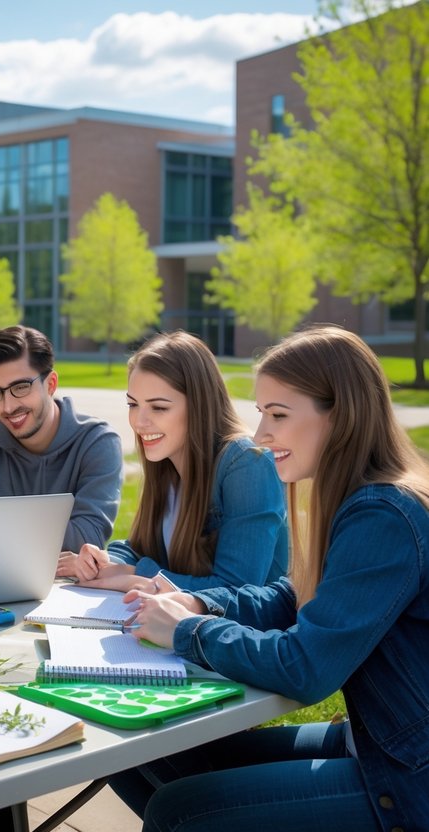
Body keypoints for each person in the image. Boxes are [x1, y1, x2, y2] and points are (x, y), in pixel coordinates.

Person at [116, 325, 429, 831]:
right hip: (376, 741)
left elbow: (306, 668)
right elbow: (291, 596)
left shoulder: (385, 515)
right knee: (137, 752)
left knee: (177, 812)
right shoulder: (357, 501)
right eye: (262, 414)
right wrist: (203, 605)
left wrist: (187, 631)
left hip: (406, 775)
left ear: (341, 416)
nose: (261, 435)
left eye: (278, 415)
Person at [57, 331, 287, 591]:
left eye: (159, 407)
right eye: (133, 405)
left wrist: (137, 576)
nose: (139, 422)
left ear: (199, 406)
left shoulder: (247, 464)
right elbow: (140, 549)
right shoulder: (167, 461)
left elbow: (236, 592)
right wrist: (103, 562)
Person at [0, 325, 123, 551]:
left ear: (51, 384)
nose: (8, 406)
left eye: (20, 387)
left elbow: (86, 539)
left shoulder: (97, 443)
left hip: (67, 586)